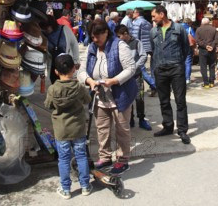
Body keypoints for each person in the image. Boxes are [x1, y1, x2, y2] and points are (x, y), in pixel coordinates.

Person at [79, 19, 137, 175]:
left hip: (121, 94)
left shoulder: (119, 45)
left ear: (106, 33)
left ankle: (123, 159)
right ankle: (105, 157)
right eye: (93, 36)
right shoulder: (91, 48)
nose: (96, 40)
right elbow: (81, 71)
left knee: (122, 129)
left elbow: (131, 68)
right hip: (100, 96)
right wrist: (89, 80)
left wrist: (113, 81)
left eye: (98, 36)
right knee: (102, 129)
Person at [44, 54, 92, 199]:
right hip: (78, 128)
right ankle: (85, 186)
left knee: (64, 159)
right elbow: (87, 100)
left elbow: (48, 105)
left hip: (61, 130)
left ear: (56, 72)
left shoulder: (53, 89)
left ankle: (66, 190)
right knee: (81, 156)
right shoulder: (79, 87)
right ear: (73, 69)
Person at [150, 5, 191, 144]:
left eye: (154, 16)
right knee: (164, 101)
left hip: (176, 69)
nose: (153, 19)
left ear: (162, 14)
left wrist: (178, 63)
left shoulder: (179, 29)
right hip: (160, 70)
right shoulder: (153, 31)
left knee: (180, 101)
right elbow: (153, 51)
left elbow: (186, 48)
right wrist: (154, 69)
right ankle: (167, 126)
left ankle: (182, 130)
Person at [115, 24, 152, 131]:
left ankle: (141, 119)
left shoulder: (136, 42)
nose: (118, 38)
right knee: (126, 98)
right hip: (123, 77)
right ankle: (130, 119)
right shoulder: (117, 44)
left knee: (139, 98)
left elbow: (143, 56)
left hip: (136, 75)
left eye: (119, 36)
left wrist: (134, 67)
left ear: (125, 34)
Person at [40, 16, 81, 84]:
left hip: (67, 64)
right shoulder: (43, 34)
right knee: (56, 85)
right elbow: (43, 52)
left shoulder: (64, 29)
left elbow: (74, 44)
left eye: (46, 27)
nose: (45, 30)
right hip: (53, 66)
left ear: (52, 25)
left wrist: (76, 60)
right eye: (43, 28)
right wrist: (41, 69)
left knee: (68, 84)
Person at [130, 8, 157, 96]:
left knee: (140, 68)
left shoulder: (136, 23)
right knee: (152, 68)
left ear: (137, 13)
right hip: (148, 47)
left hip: (140, 48)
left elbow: (135, 37)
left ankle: (154, 85)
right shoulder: (148, 23)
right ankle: (154, 85)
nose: (132, 14)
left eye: (133, 12)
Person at [195, 17, 218, 88]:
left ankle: (206, 83)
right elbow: (216, 40)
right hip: (212, 50)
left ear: (202, 23)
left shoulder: (199, 29)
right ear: (209, 22)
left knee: (203, 67)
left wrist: (206, 46)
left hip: (203, 50)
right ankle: (212, 82)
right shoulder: (214, 29)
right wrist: (212, 46)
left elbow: (198, 41)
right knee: (212, 66)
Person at [181, 18, 196, 84]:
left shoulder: (178, 27)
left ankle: (180, 77)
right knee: (188, 62)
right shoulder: (190, 29)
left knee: (180, 62)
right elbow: (194, 38)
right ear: (189, 23)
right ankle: (187, 78)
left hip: (179, 47)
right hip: (188, 47)